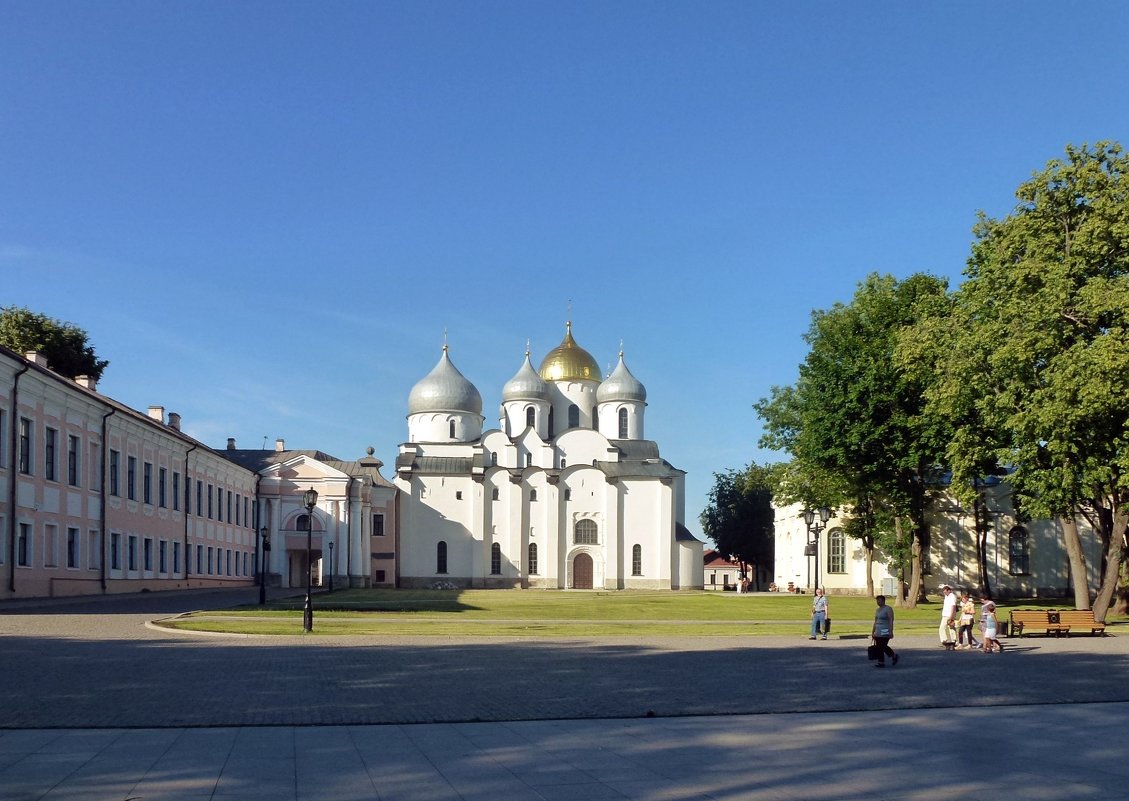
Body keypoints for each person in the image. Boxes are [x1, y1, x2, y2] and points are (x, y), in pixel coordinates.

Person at [871, 594, 898, 668]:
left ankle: (893, 656)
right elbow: (876, 621)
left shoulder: (888, 609)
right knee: (879, 646)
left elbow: (891, 620)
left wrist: (891, 630)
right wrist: (873, 631)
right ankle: (881, 661)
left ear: (883, 601)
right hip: (878, 629)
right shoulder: (877, 610)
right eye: (877, 601)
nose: (878, 602)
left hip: (885, 629)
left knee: (882, 645)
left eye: (879, 600)